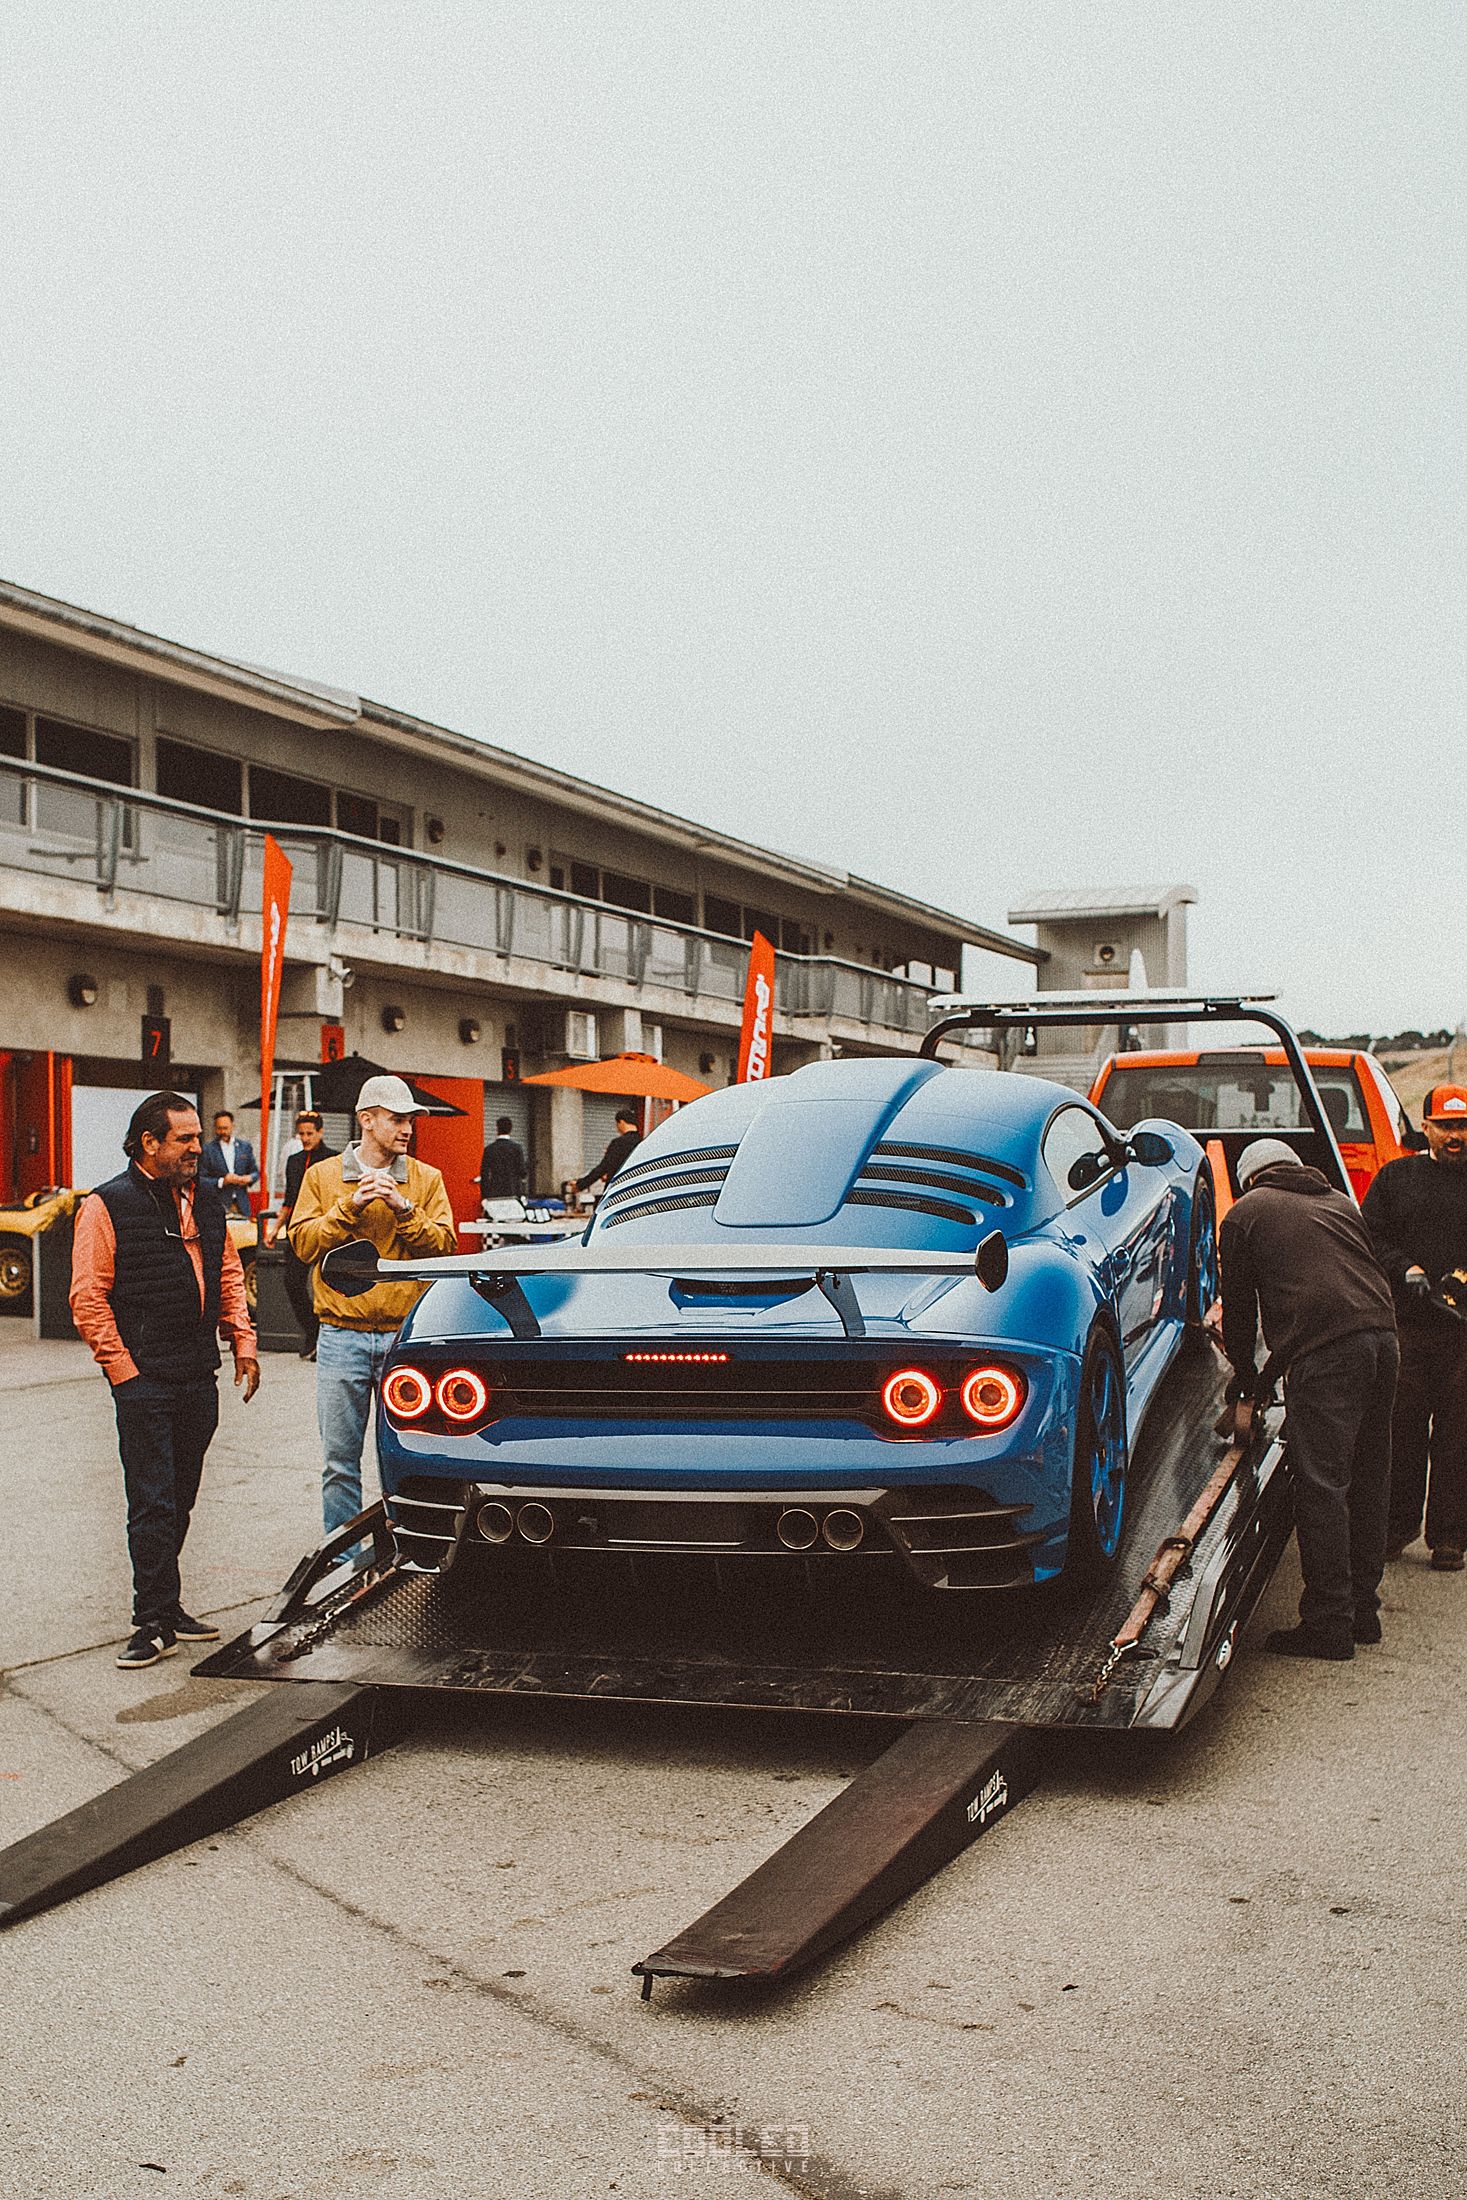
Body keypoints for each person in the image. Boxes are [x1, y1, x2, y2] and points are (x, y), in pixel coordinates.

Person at [69, 1091, 261, 1669]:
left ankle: (167, 1604)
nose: (197, 1149)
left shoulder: (206, 1197)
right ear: (149, 1142)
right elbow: (87, 1297)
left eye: (199, 1137)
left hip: (196, 1374)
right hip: (145, 1379)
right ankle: (151, 1621)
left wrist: (243, 1342)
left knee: (180, 1498)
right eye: (185, 1139)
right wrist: (123, 1371)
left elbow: (227, 1273)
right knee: (151, 1500)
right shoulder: (107, 1204)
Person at [1213, 1136, 1397, 1660]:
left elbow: (1240, 1308)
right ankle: (1363, 1612)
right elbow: (1337, 1290)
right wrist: (1272, 1373)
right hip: (1383, 1342)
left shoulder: (1246, 1213)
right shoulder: (1339, 1201)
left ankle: (1328, 1625)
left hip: (1329, 1359)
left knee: (1322, 1486)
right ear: (1295, 1169)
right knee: (1367, 1478)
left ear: (1252, 1178)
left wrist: (1244, 1373)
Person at [288, 1074, 456, 1543]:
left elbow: (444, 1248)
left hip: (407, 1337)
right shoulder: (322, 1177)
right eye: (397, 1119)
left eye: (410, 1121)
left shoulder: (426, 1179)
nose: (407, 1129)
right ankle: (342, 1561)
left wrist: (403, 1208)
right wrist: (350, 1206)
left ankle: (404, 1547)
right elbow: (302, 1244)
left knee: (408, 1454)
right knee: (339, 1461)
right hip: (341, 1334)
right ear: (367, 1120)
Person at [1362, 1084, 1467, 1571]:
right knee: (1401, 1432)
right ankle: (1396, 1526)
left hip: (1462, 1334)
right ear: (1424, 1126)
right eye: (1446, 1125)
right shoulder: (1395, 1178)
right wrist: (1405, 1269)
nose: (1456, 1135)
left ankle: (1449, 1537)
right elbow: (1370, 1235)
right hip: (1406, 1328)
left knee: (1458, 1436)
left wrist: (1461, 1277)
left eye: (1463, 1126)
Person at [277, 1111, 337, 1358]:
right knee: (292, 1281)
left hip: (327, 1227)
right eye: (301, 1134)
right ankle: (313, 1330)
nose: (305, 1138)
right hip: (299, 1228)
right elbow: (290, 1200)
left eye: (309, 1133)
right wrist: (275, 1228)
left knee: (330, 1283)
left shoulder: (334, 1158)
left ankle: (326, 1336)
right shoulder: (293, 1161)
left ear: (320, 1132)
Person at [198, 1110, 259, 1218]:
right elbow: (201, 1179)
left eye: (225, 1128)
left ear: (232, 1126)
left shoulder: (245, 1147)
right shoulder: (208, 1149)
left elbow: (255, 1172)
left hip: (242, 1205)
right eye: (219, 1128)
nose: (222, 1132)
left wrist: (248, 1178)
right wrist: (222, 1181)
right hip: (218, 1205)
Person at [575, 1107, 641, 1199]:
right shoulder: (643, 1142)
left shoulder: (618, 1143)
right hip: (636, 1192)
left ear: (621, 1122)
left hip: (616, 1192)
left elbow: (603, 1167)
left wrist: (581, 1184)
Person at [479, 1114, 527, 1205]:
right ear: (511, 1129)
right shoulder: (517, 1148)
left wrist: (484, 1196)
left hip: (494, 1193)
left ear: (497, 1128)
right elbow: (522, 1172)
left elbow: (484, 1174)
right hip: (513, 1192)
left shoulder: (489, 1149)